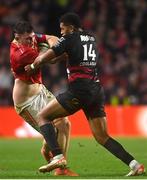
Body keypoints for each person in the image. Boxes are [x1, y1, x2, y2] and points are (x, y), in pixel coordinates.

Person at [25, 13, 145, 176]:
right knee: (102, 137)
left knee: (43, 116)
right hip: (96, 91)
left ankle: (58, 156)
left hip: (79, 91)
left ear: (71, 27)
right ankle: (135, 165)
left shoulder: (69, 39)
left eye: (63, 28)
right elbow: (60, 57)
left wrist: (32, 65)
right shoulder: (91, 38)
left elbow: (44, 60)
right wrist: (51, 56)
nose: (61, 32)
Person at [10, 20, 78, 176]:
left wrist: (50, 45)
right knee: (53, 131)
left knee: (64, 123)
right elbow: (53, 58)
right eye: (27, 39)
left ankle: (61, 168)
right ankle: (50, 152)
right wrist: (62, 50)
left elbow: (52, 38)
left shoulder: (31, 38)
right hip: (26, 101)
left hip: (40, 90)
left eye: (32, 37)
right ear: (17, 37)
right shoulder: (20, 53)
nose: (31, 40)